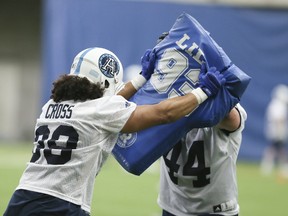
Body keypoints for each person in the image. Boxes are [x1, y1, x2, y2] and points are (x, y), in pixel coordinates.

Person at [4, 47, 226, 216]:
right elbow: (163, 114)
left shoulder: (50, 106)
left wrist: (140, 79)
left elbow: (104, 108)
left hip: (23, 196)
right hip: (60, 203)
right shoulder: (99, 110)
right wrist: (202, 92)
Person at [158, 103, 247, 216]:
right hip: (172, 206)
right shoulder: (167, 104)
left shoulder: (225, 107)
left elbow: (231, 118)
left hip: (215, 210)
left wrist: (201, 93)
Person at [260, 84, 288, 177]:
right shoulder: (278, 105)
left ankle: (267, 166)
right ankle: (283, 168)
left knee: (274, 149)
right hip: (276, 132)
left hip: (273, 131)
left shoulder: (274, 104)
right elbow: (279, 119)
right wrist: (280, 132)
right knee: (278, 149)